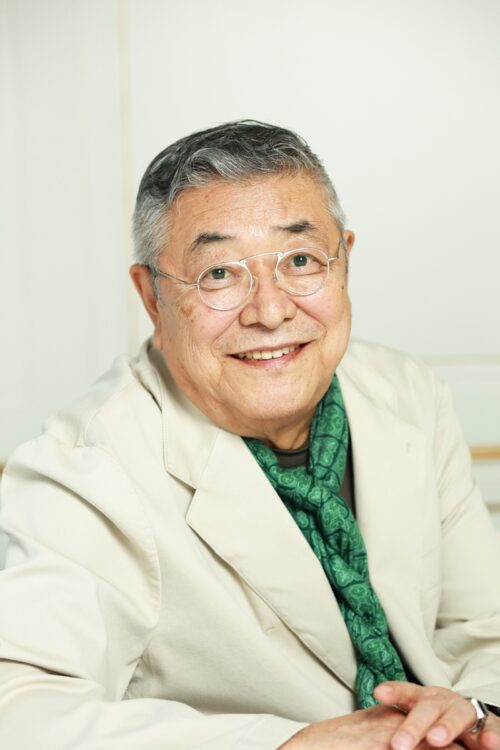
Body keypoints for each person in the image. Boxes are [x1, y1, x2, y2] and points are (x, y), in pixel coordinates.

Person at [0, 121, 499, 750]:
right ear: (151, 297)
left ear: (344, 261)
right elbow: (17, 709)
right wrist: (290, 746)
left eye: (300, 260)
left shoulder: (409, 393)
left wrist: (478, 714)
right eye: (218, 273)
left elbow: (482, 629)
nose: (270, 310)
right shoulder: (86, 467)